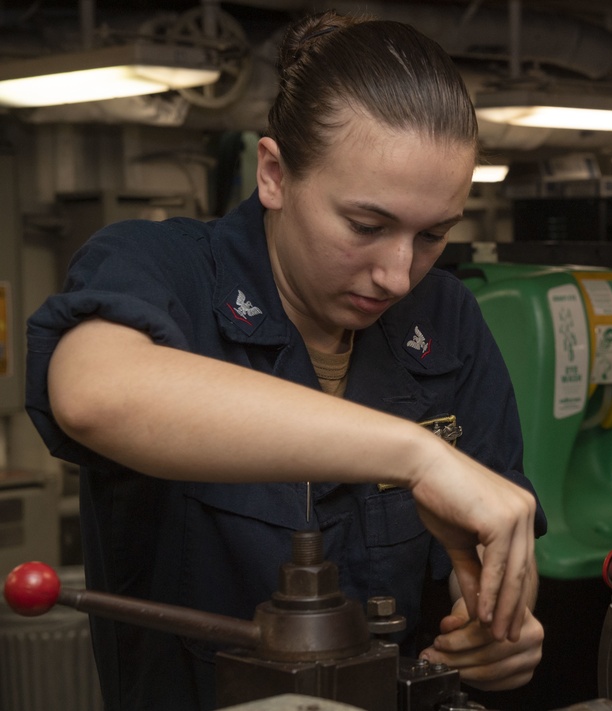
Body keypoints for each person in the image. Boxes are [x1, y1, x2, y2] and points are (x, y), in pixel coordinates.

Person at [24, 10, 547, 710]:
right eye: (367, 225)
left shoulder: (447, 319)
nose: (398, 274)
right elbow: (95, 394)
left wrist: (495, 626)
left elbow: (484, 551)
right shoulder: (164, 269)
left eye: (433, 235)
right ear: (273, 174)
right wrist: (418, 456)